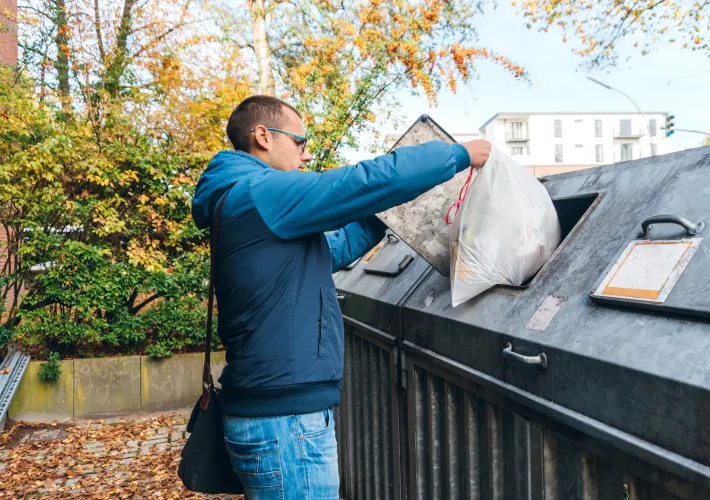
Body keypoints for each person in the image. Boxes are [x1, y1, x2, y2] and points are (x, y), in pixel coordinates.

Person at [191, 95, 491, 499]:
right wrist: (457, 155)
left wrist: (384, 212)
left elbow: (333, 248)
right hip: (285, 422)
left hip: (274, 413)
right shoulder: (260, 191)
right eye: (300, 142)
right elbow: (360, 181)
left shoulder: (240, 200)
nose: (305, 153)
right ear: (263, 136)